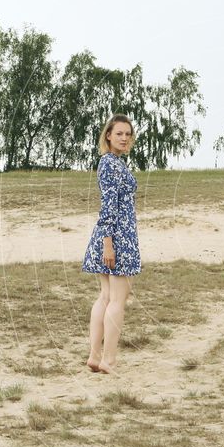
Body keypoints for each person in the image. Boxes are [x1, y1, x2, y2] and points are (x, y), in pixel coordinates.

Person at [81, 114, 141, 374]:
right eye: (119, 133)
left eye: (128, 134)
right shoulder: (110, 164)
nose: (124, 138)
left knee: (106, 297)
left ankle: (95, 357)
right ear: (108, 135)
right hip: (117, 238)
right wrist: (108, 244)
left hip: (114, 236)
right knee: (117, 300)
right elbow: (108, 205)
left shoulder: (111, 163)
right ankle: (109, 360)